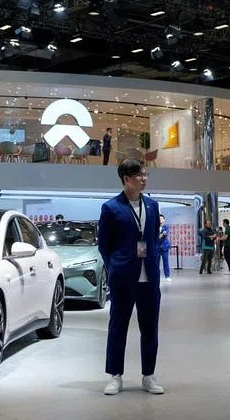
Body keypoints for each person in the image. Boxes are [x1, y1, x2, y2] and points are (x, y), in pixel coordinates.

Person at [97, 159, 164, 396]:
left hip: (149, 275)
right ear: (126, 179)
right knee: (118, 326)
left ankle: (149, 375)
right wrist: (115, 266)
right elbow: (104, 245)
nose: (144, 179)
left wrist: (153, 260)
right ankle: (115, 376)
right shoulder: (111, 208)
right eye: (139, 175)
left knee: (150, 327)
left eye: (145, 174)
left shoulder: (153, 205)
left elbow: (154, 238)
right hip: (123, 276)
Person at [157, 215, 171, 283]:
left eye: (162, 219)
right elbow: (157, 237)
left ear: (164, 220)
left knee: (166, 262)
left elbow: (165, 234)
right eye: (159, 219)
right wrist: (161, 235)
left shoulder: (166, 226)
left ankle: (167, 276)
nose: (160, 220)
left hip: (165, 247)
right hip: (157, 248)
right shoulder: (154, 227)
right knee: (156, 263)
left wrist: (161, 235)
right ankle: (156, 276)